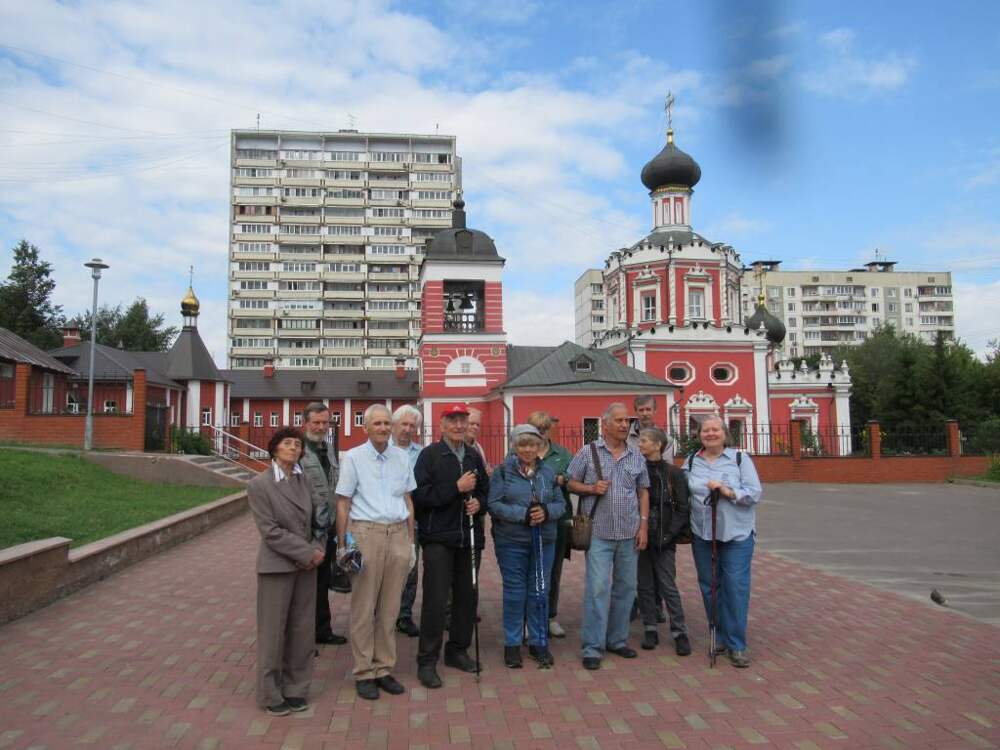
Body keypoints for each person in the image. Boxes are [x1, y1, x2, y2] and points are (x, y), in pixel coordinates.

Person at [334, 405, 416, 700]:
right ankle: (363, 671)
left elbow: (407, 499)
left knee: (390, 608)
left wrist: (411, 542)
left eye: (386, 423)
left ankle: (384, 668)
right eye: (377, 423)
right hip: (365, 533)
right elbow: (342, 502)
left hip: (396, 534)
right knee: (364, 607)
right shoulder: (354, 457)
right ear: (366, 428)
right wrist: (343, 544)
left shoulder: (402, 457)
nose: (383, 428)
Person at [566, 403, 650, 671]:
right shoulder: (587, 452)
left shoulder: (636, 455)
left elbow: (643, 492)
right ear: (604, 424)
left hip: (629, 532)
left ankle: (617, 639)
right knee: (598, 588)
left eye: (627, 420)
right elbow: (569, 482)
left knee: (625, 589)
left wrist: (644, 526)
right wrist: (590, 488)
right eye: (619, 421)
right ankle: (592, 646)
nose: (625, 425)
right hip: (599, 533)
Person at [248, 427, 325, 716]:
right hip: (276, 567)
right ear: (275, 448)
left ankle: (296, 688)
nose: (294, 448)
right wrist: (306, 553)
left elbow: (320, 517)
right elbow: (270, 531)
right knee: (273, 633)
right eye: (287, 443)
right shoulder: (260, 484)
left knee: (302, 631)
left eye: (297, 444)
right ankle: (270, 693)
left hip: (307, 568)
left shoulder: (304, 481)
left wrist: (318, 549)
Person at [412, 403, 489, 689]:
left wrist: (479, 503)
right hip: (438, 538)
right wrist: (455, 489)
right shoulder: (429, 456)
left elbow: (485, 490)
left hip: (468, 538)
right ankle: (427, 660)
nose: (458, 426)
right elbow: (420, 496)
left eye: (462, 421)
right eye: (452, 421)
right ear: (442, 425)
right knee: (435, 600)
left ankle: (457, 649)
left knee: (467, 598)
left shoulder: (472, 456)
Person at [685, 415, 762, 668]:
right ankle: (718, 633)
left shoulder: (740, 459)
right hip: (703, 534)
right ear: (699, 435)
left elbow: (754, 492)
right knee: (710, 586)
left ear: (724, 433)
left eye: (715, 429)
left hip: (736, 534)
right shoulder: (691, 462)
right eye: (705, 430)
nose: (710, 434)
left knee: (736, 587)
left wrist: (729, 492)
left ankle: (737, 644)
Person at [487, 424, 565, 668]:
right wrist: (522, 514)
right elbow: (494, 504)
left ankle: (538, 641)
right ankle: (512, 643)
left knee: (540, 592)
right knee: (514, 593)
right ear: (514, 446)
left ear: (540, 445)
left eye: (533, 444)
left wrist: (545, 511)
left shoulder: (548, 473)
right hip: (512, 542)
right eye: (523, 444)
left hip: (544, 541)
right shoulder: (502, 473)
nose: (528, 449)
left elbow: (561, 504)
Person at [635, 427, 692, 655]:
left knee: (668, 585)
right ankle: (650, 627)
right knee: (645, 584)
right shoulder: (636, 470)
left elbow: (683, 508)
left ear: (658, 445)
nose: (640, 444)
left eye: (645, 441)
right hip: (641, 535)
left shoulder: (674, 474)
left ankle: (680, 631)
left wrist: (670, 534)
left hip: (664, 537)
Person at [299, 402, 348, 646]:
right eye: (315, 422)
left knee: (322, 581)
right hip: (305, 529)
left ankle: (321, 630)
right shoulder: (297, 451)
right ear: (305, 423)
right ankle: (302, 637)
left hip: (327, 526)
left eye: (324, 422)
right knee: (304, 585)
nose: (320, 427)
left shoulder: (328, 449)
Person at [525, 410, 573, 639]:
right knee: (528, 570)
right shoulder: (521, 451)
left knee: (553, 570)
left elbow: (573, 477)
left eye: (544, 429)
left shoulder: (561, 454)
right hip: (528, 520)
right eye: (537, 429)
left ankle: (550, 616)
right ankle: (528, 617)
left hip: (556, 520)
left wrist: (564, 479)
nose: (541, 433)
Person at [390, 404, 424, 638]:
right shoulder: (382, 450)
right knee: (384, 568)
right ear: (394, 425)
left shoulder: (422, 453)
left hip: (412, 519)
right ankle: (381, 614)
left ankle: (403, 615)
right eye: (404, 424)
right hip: (385, 519)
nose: (408, 429)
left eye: (412, 425)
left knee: (410, 568)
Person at [465, 407, 490, 472]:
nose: (475, 427)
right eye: (472, 423)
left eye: (478, 425)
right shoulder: (455, 447)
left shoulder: (478, 447)